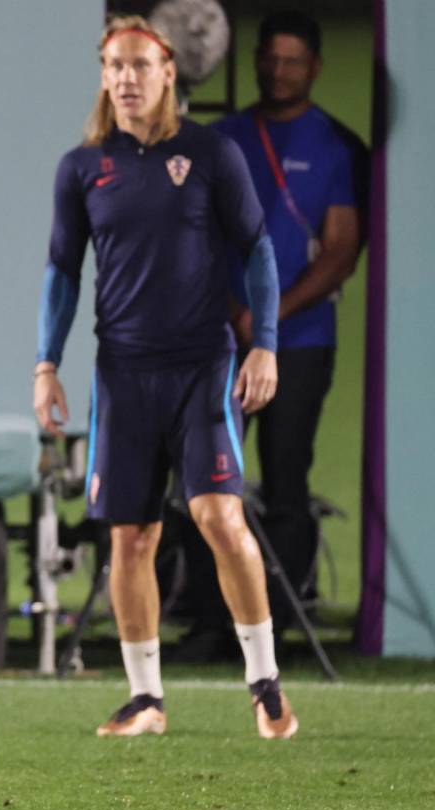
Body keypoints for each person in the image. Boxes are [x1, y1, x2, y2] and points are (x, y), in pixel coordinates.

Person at [33, 16, 298, 740]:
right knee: (132, 539)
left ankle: (265, 682)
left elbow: (258, 252)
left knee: (218, 516)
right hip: (121, 374)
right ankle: (145, 698)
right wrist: (47, 365)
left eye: (138, 66)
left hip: (203, 367)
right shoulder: (83, 167)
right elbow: (62, 272)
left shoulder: (211, 153)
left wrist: (264, 346)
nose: (125, 79)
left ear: (168, 72)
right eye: (113, 66)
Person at [173, 10, 366, 653]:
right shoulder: (225, 137)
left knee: (287, 483)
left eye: (292, 61)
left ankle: (279, 627)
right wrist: (233, 308)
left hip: (301, 345)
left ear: (313, 67)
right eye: (269, 59)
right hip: (219, 339)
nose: (278, 72)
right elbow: (191, 231)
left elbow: (341, 250)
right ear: (254, 62)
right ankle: (208, 622)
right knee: (205, 479)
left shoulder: (333, 146)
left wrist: (267, 316)